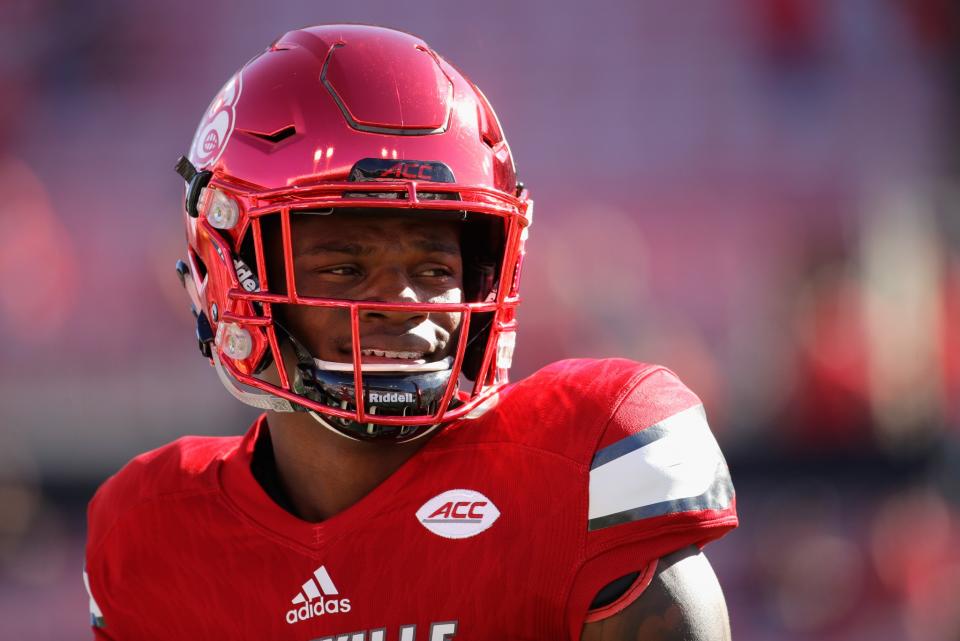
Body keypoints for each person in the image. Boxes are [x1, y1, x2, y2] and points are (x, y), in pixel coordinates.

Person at [84, 24, 738, 641]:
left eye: (433, 267)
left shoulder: (579, 465)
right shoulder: (152, 534)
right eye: (344, 266)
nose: (403, 300)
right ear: (234, 272)